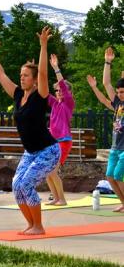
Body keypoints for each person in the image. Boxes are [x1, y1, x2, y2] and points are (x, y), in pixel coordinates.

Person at [0, 27, 60, 235]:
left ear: (34, 80)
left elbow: (43, 72)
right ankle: (31, 224)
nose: (22, 78)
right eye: (21, 75)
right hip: (31, 152)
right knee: (16, 185)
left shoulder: (40, 95)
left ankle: (39, 227)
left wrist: (43, 46)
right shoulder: (17, 94)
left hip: (49, 151)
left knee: (26, 184)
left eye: (26, 75)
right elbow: (0, 74)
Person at [45, 54, 75, 206]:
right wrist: (36, 73)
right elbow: (42, 92)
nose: (59, 92)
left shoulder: (68, 103)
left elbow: (62, 85)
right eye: (57, 91)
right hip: (53, 142)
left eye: (61, 91)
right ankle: (56, 198)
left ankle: (62, 199)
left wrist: (56, 68)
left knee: (52, 172)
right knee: (47, 173)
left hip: (64, 141)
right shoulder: (55, 104)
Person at [102, 47, 124, 212]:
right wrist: (107, 62)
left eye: (122, 92)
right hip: (115, 147)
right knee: (110, 176)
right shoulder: (117, 103)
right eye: (118, 92)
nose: (119, 94)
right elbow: (106, 83)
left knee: (118, 175)